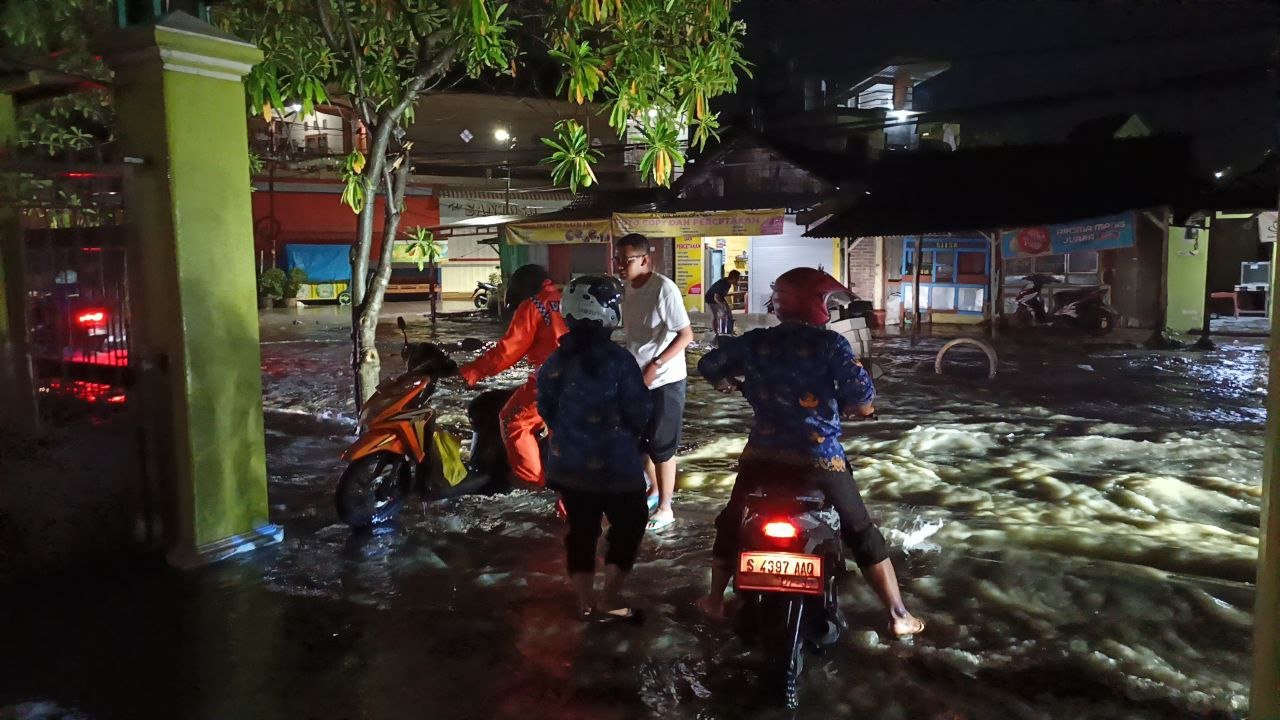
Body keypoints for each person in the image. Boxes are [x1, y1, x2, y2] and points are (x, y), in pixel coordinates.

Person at [695, 267, 925, 638]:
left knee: (732, 521)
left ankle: (714, 600)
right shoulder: (831, 344)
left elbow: (709, 364)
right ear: (817, 303)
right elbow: (862, 396)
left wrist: (732, 382)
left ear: (781, 303)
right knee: (861, 529)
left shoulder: (756, 342)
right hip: (820, 459)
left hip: (763, 458)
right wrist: (861, 409)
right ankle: (898, 614)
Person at [537, 275, 652, 622]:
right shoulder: (619, 360)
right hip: (617, 466)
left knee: (582, 529)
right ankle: (610, 595)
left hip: (570, 465)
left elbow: (546, 408)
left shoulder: (556, 361)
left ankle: (585, 601)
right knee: (630, 522)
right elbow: (639, 410)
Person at [458, 264, 567, 486]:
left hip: (552, 380)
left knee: (512, 419)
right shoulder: (567, 298)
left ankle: (532, 481)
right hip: (585, 379)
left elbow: (508, 351)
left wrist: (472, 372)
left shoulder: (533, 305)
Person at [615, 233, 694, 531]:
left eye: (627, 260)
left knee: (662, 446)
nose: (621, 266)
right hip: (636, 378)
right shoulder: (627, 289)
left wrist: (656, 365)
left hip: (666, 379)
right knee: (634, 441)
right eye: (618, 260)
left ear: (645, 260)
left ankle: (666, 508)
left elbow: (686, 335)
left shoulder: (664, 289)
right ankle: (655, 490)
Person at [705, 269, 741, 336]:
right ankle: (717, 333)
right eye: (737, 278)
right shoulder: (722, 283)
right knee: (716, 315)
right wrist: (723, 306)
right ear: (733, 277)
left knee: (729, 313)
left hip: (720, 298)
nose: (738, 280)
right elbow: (716, 297)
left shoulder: (729, 284)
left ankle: (729, 331)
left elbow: (721, 296)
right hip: (711, 299)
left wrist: (726, 306)